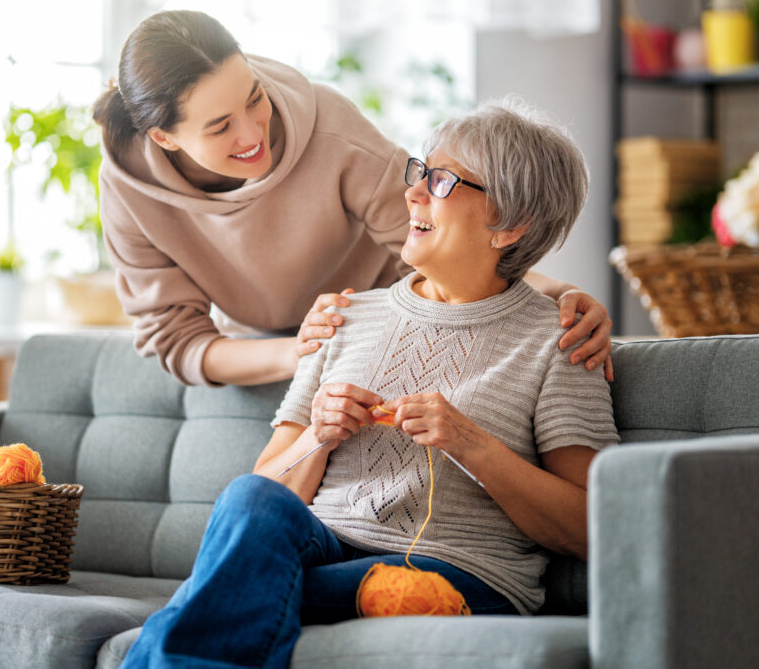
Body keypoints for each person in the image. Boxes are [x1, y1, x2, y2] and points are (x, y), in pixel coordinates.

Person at [120, 98, 619, 668]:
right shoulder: (344, 316)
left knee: (229, 589)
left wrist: (470, 442)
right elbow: (267, 487)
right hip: (326, 550)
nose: (412, 193)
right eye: (420, 172)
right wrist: (318, 436)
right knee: (248, 497)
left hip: (460, 574)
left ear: (509, 225)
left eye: (441, 181)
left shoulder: (562, 340)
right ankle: (339, 599)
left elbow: (590, 526)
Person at [93, 10, 614, 388]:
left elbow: (450, 245)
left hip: (392, 327)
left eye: (255, 98)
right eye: (221, 126)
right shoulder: (128, 188)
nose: (254, 133)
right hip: (268, 359)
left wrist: (560, 292)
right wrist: (300, 351)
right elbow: (178, 341)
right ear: (164, 138)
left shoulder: (330, 128)